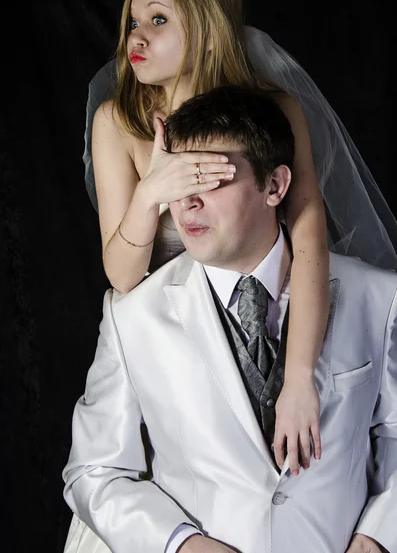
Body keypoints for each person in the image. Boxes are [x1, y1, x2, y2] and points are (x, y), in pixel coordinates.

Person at [63, 85, 396, 553]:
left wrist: (380, 533)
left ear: (275, 186)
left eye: (211, 178)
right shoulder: (133, 319)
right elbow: (94, 472)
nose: (187, 203)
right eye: (179, 182)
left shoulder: (379, 298)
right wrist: (180, 545)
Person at [86, 0, 332, 480]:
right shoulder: (117, 122)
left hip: (269, 329)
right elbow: (123, 277)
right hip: (171, 344)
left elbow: (310, 243)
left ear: (207, 28)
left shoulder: (275, 112)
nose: (137, 38)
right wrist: (151, 190)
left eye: (158, 20)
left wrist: (300, 378)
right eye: (132, 21)